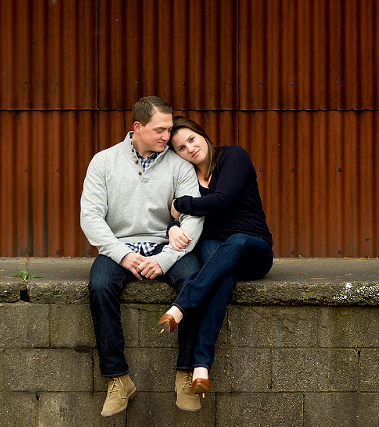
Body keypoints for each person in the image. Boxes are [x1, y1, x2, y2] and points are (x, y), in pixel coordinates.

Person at [81, 97, 205, 417]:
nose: (168, 136)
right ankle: (118, 379)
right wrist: (122, 254)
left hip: (168, 245)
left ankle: (186, 374)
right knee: (99, 286)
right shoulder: (104, 161)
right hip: (119, 245)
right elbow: (91, 217)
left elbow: (193, 218)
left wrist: (164, 259)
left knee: (195, 281)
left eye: (169, 129)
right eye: (160, 130)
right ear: (138, 128)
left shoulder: (180, 165)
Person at [157, 116, 273, 397]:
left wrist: (180, 203)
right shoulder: (186, 177)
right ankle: (201, 366)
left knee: (235, 242)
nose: (190, 149)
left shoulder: (233, 155)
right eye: (181, 148)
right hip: (214, 246)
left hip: (253, 246)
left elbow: (222, 200)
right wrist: (172, 228)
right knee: (221, 276)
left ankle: (183, 304)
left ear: (202, 135)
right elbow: (177, 219)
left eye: (192, 140)